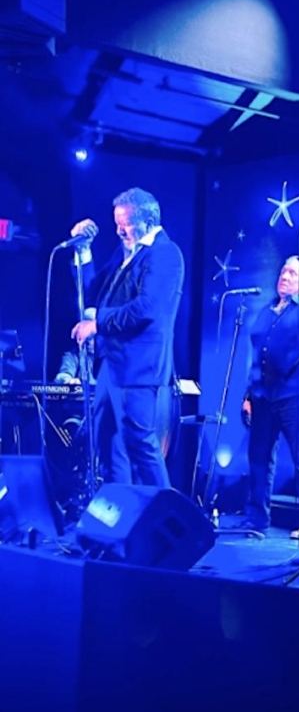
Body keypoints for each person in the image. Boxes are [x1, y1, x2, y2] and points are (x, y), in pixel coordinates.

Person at [69, 187, 184, 488]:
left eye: (125, 223)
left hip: (139, 365)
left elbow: (148, 307)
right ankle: (118, 511)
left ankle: (166, 517)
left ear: (146, 220)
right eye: (117, 223)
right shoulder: (128, 254)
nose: (119, 230)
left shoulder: (165, 253)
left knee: (140, 444)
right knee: (106, 441)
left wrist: (98, 324)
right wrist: (83, 249)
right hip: (114, 364)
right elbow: (95, 290)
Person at [237, 257, 299, 539]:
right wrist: (248, 395)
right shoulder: (265, 313)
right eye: (283, 271)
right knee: (258, 459)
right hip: (263, 398)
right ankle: (256, 520)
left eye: (292, 273)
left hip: (298, 397)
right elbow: (255, 360)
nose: (285, 276)